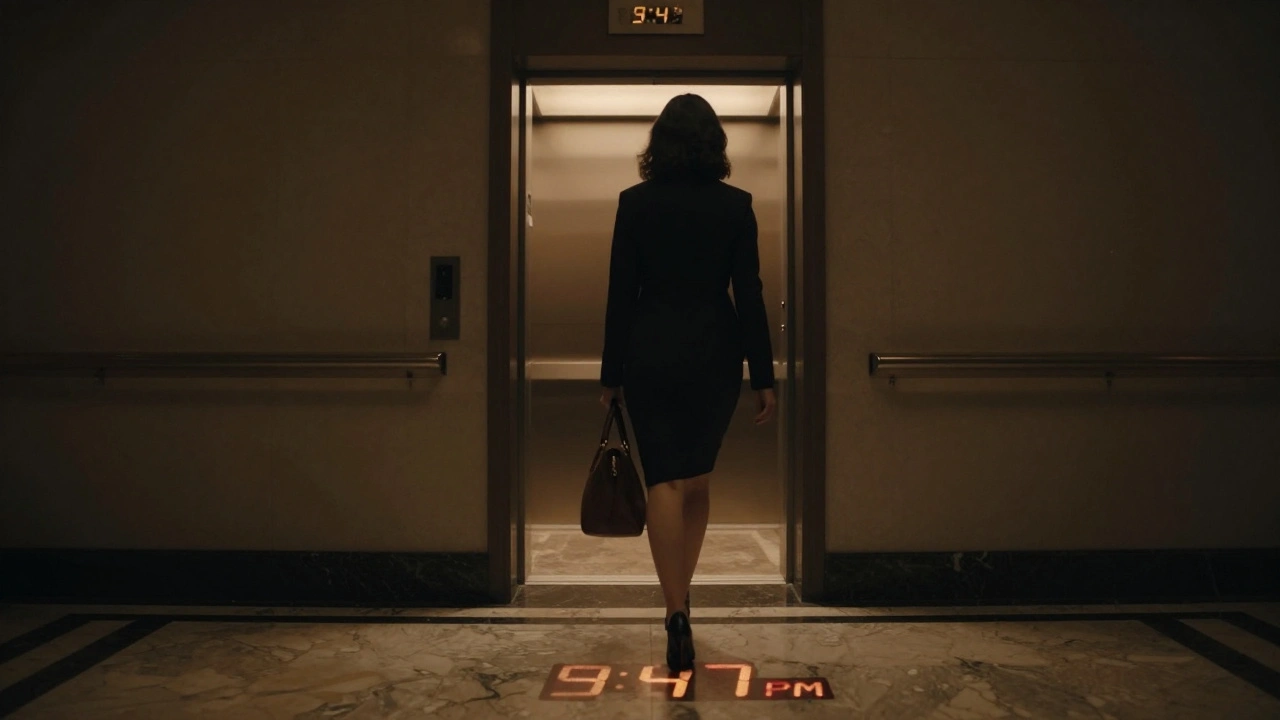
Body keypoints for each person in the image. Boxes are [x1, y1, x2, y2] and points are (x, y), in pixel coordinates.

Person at [598, 93, 777, 672]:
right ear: (715, 145)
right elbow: (748, 294)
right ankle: (683, 597)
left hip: (650, 349)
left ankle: (675, 609)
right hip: (714, 353)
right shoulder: (736, 206)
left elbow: (620, 293)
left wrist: (610, 374)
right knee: (696, 479)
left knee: (665, 480)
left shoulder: (634, 204)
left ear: (659, 145)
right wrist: (763, 375)